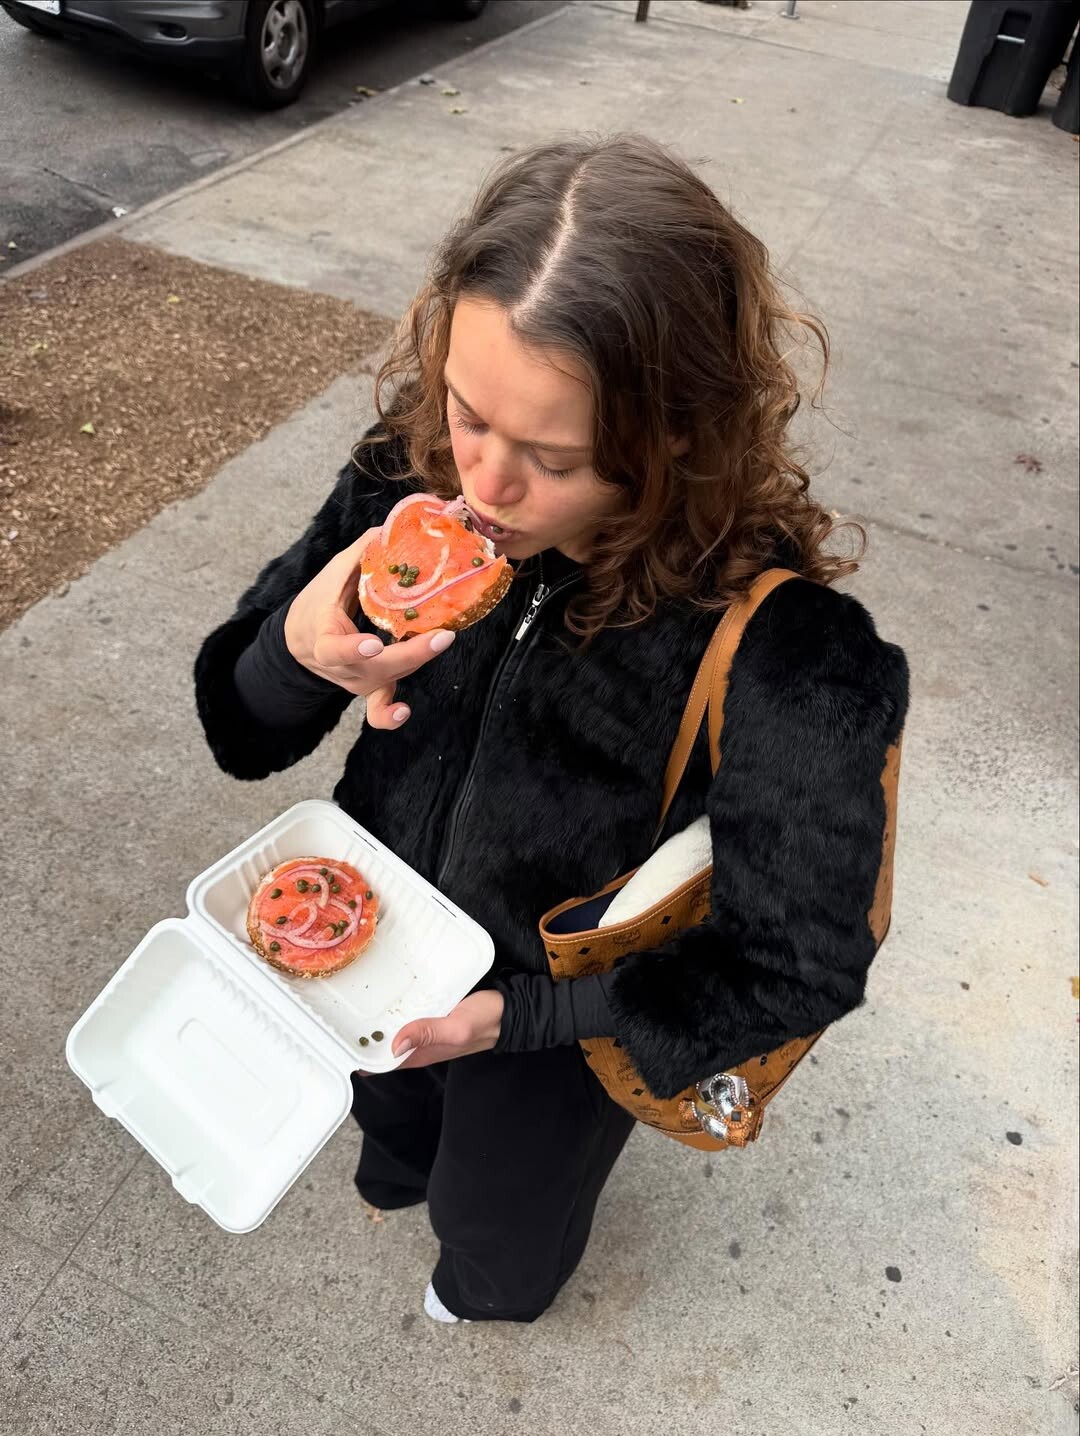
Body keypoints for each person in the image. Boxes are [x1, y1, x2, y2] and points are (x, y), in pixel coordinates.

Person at [194, 133, 909, 1325]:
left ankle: (485, 1289)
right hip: (373, 951)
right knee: (392, 1125)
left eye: (554, 458)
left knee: (501, 1214)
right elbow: (238, 725)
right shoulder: (406, 482)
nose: (485, 484)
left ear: (676, 433)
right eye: (468, 412)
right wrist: (295, 654)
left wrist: (520, 1016)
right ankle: (402, 1170)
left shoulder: (790, 652)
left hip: (553, 1027)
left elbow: (804, 960)